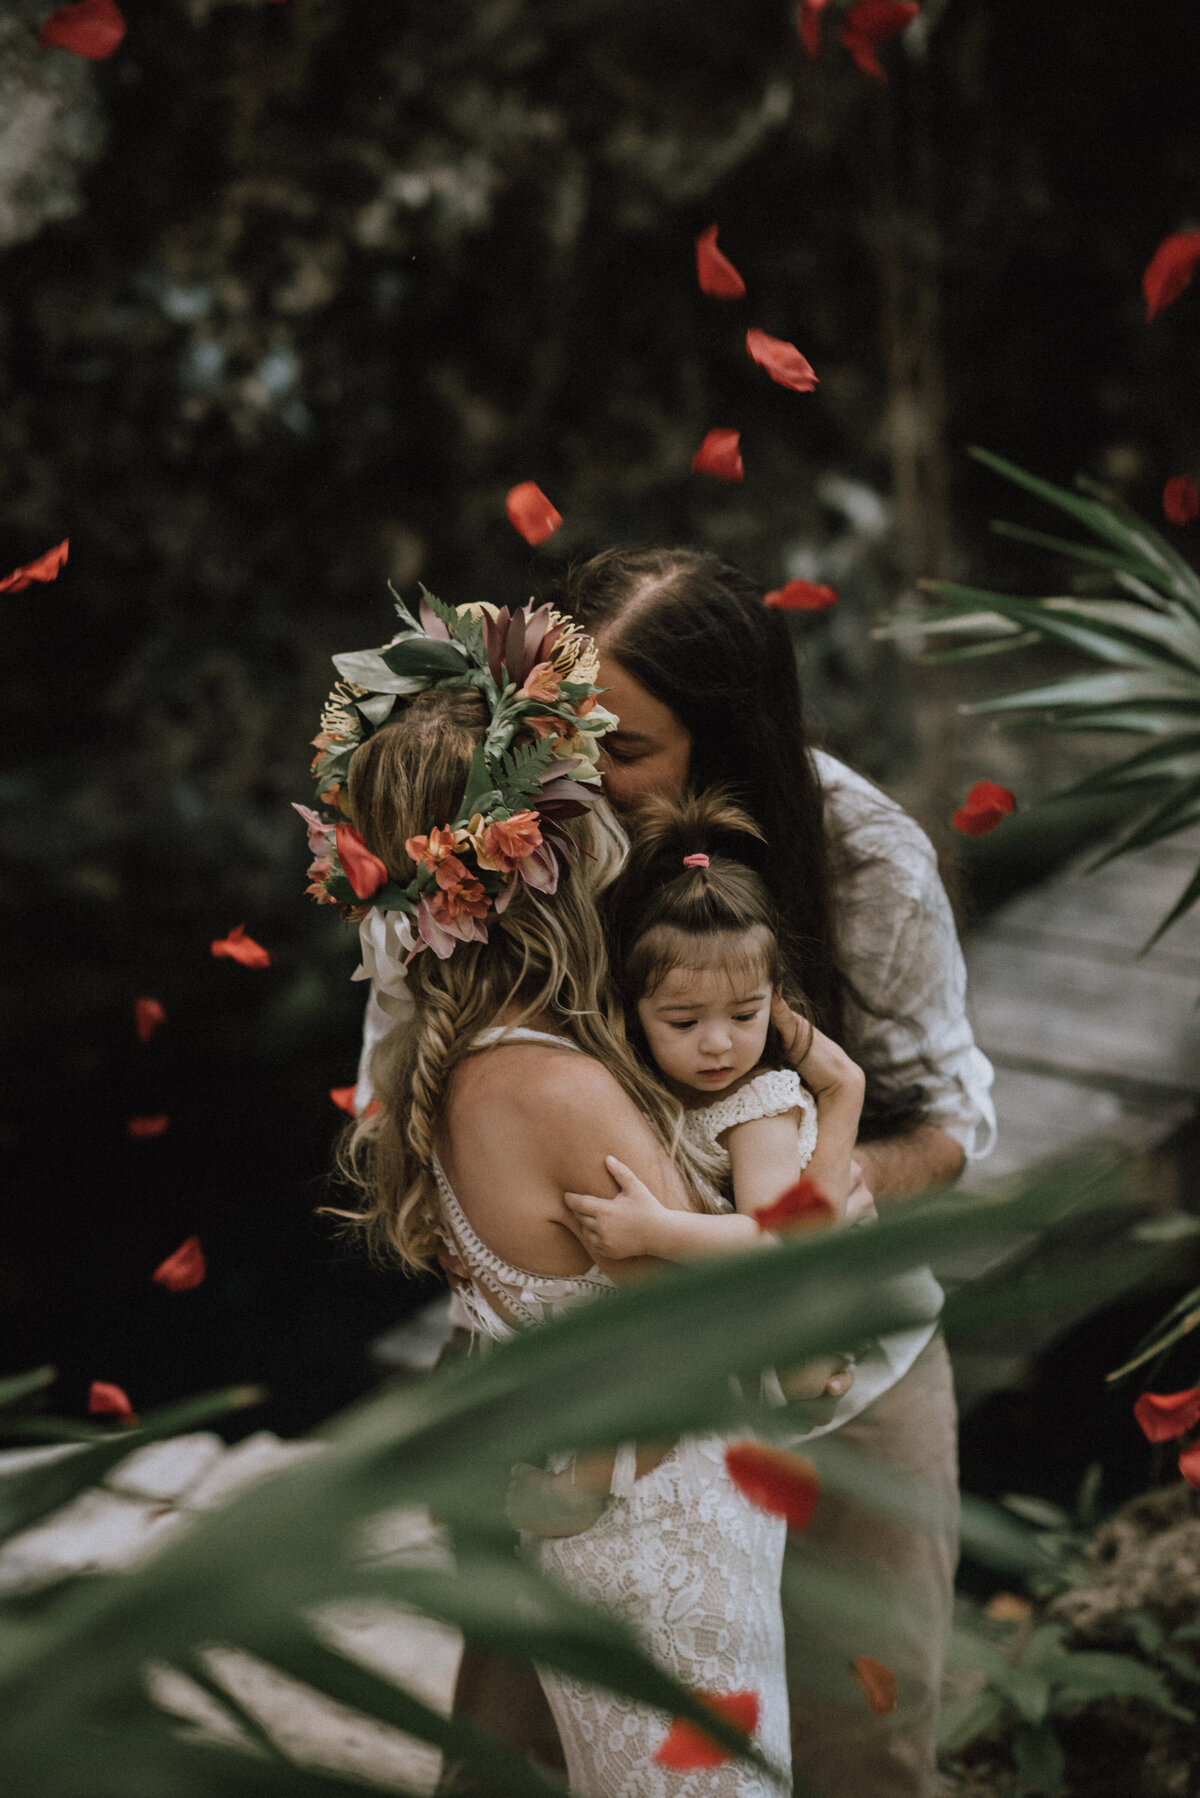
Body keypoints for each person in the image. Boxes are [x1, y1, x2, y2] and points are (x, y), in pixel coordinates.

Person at [351, 549, 994, 1797]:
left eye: (625, 747)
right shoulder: (517, 846)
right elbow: (398, 1075)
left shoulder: (864, 855)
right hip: (580, 1410)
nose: (580, 776)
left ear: (728, 739)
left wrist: (835, 1187)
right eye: (565, 732)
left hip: (848, 1382)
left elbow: (962, 1115)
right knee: (510, 1756)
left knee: (866, 1747)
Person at [313, 595, 806, 1796]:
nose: (619, 824)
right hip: (665, 1557)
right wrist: (819, 1123)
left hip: (625, 1534)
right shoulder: (550, 1088)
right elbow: (723, 1327)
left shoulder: (475, 1053)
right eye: (591, 800)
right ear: (544, 850)